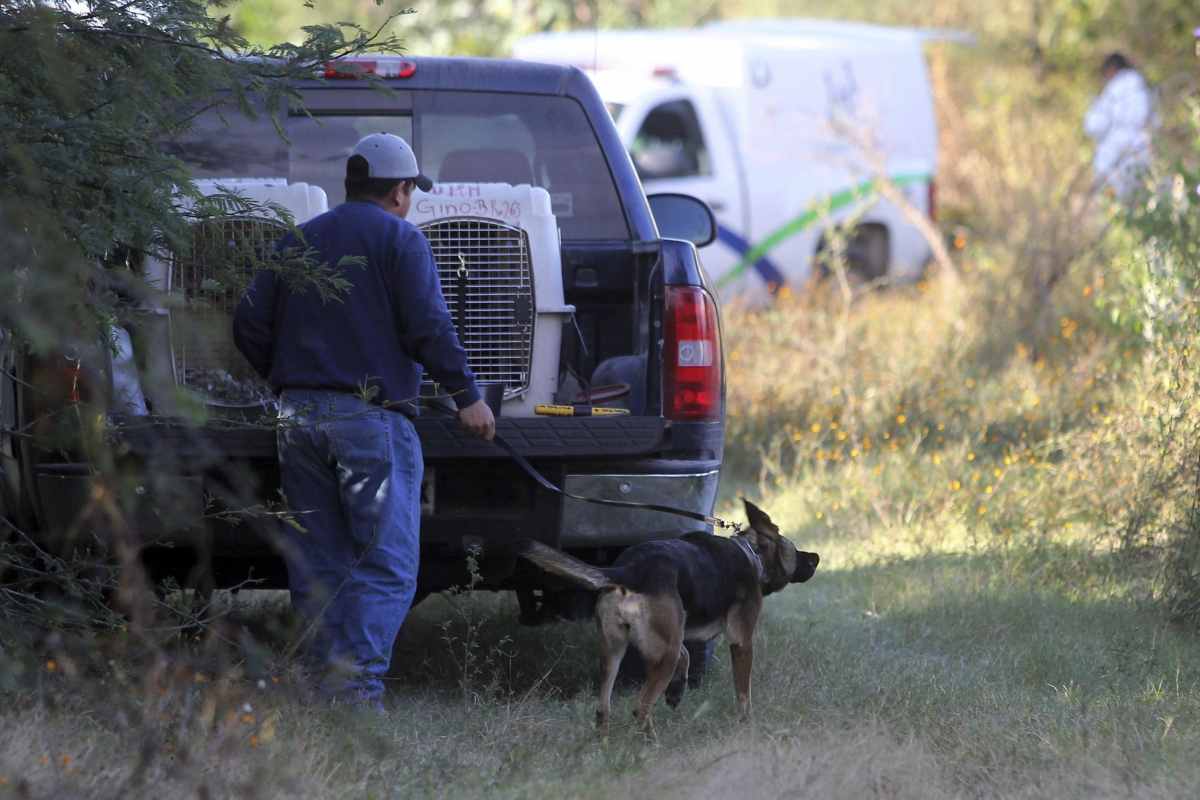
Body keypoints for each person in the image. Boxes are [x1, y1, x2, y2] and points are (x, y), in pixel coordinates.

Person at [233, 133, 495, 708]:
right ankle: (355, 695)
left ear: (349, 184)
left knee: (318, 559)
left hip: (297, 418)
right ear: (400, 191)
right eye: (411, 190)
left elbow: (248, 323)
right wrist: (466, 395)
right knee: (387, 565)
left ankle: (320, 688)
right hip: (370, 421)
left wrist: (285, 377)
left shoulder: (298, 239)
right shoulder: (400, 239)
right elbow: (429, 325)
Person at [1084, 52, 1155, 201]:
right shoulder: (1143, 86)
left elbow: (1095, 125)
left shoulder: (1114, 89)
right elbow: (1155, 121)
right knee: (1139, 201)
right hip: (1142, 149)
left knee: (1111, 203)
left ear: (1111, 69)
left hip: (1114, 153)